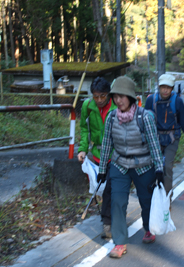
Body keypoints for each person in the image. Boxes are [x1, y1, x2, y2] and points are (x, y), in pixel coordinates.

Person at [97, 76, 164, 258]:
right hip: (120, 164)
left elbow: (154, 145)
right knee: (117, 202)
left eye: (122, 96)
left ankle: (149, 228)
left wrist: (159, 169)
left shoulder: (145, 117)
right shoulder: (111, 117)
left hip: (143, 165)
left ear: (131, 97)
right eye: (116, 97)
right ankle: (119, 242)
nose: (118, 101)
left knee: (146, 200)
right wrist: (102, 169)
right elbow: (107, 144)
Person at [77, 77, 116, 239]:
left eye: (102, 96)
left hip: (116, 155)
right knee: (104, 189)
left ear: (108, 94)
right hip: (98, 156)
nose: (99, 100)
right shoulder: (88, 106)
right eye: (96, 96)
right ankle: (109, 220)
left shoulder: (117, 105)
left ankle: (108, 224)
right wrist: (83, 149)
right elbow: (84, 130)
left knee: (110, 189)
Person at [145, 73, 184, 196]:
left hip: (172, 138)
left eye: (168, 87)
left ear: (172, 89)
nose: (165, 90)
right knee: (152, 166)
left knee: (167, 166)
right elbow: (143, 120)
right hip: (155, 138)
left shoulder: (177, 101)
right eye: (163, 87)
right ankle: (152, 193)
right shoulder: (151, 100)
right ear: (159, 87)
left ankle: (167, 197)